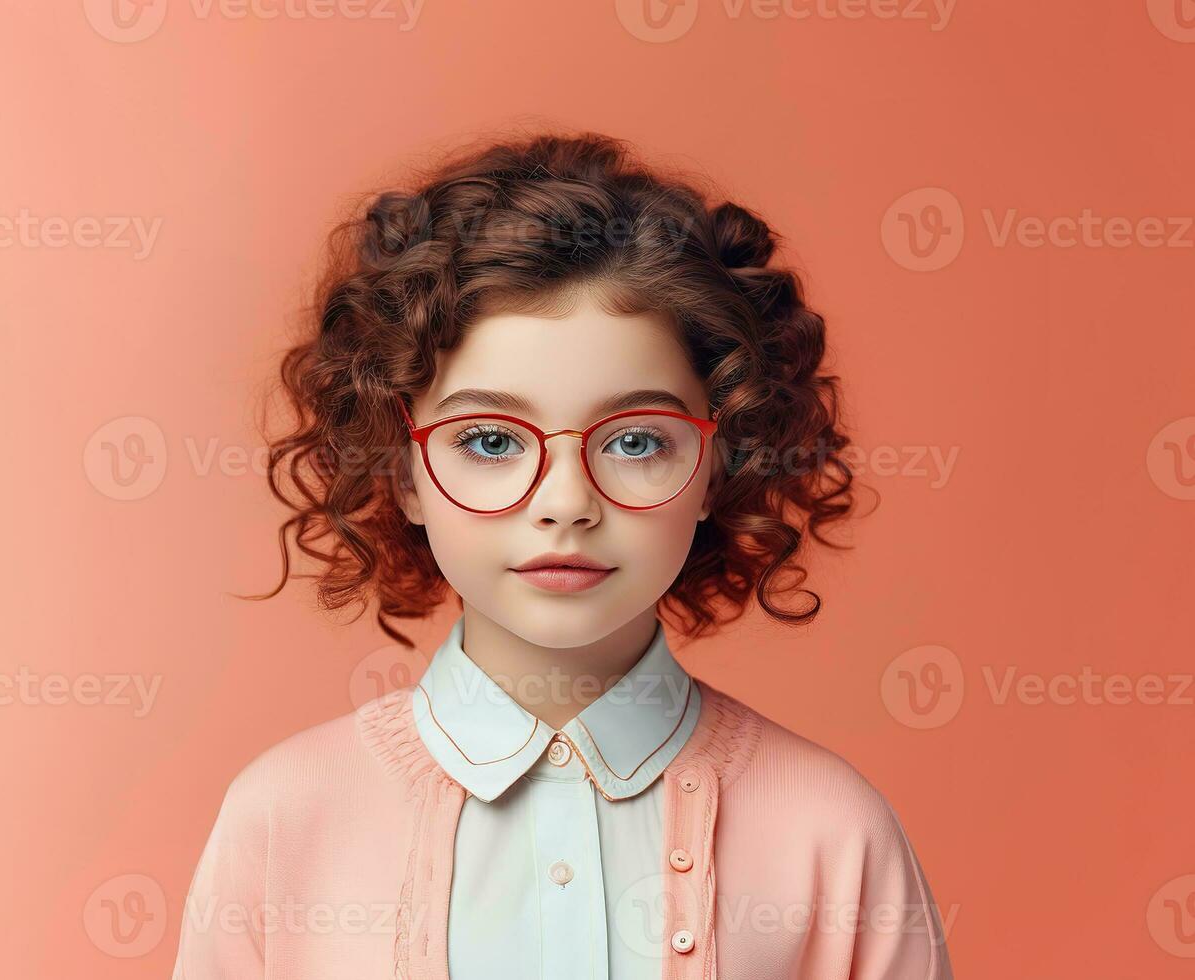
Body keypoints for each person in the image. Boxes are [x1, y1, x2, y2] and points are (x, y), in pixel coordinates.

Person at [172, 131, 953, 979]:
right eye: (488, 439)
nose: (566, 502)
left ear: (716, 466)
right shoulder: (286, 819)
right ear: (403, 473)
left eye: (637, 440)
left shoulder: (830, 831)